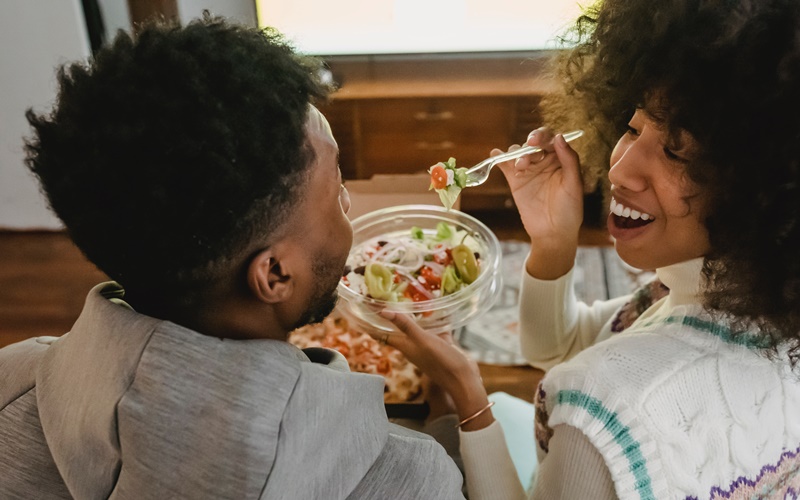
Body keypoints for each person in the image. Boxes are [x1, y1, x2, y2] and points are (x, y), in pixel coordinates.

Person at [0, 17, 465, 499]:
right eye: (336, 189)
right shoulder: (414, 477)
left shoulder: (10, 381)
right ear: (275, 274)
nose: (348, 202)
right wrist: (452, 416)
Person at [380, 0, 800, 498]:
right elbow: (558, 346)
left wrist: (465, 394)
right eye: (634, 126)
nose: (620, 169)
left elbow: (581, 375)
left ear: (758, 184)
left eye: (675, 150)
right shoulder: (737, 293)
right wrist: (554, 241)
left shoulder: (603, 407)